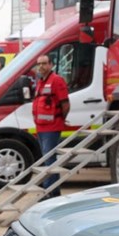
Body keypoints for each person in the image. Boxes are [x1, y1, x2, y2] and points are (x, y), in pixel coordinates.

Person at [32, 54, 69, 198]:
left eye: (44, 63)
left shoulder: (56, 80)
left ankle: (50, 192)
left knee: (50, 161)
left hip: (52, 127)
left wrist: (60, 119)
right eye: (39, 64)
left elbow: (65, 104)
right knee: (47, 160)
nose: (41, 66)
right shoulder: (41, 81)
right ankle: (53, 191)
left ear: (51, 65)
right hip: (41, 127)